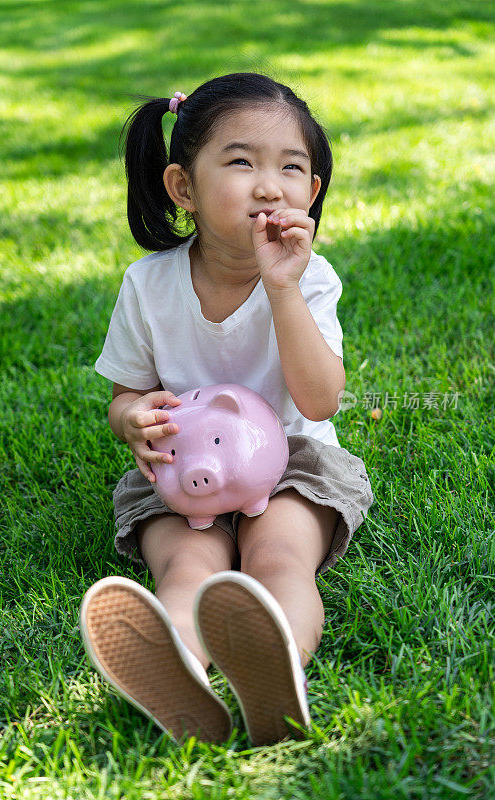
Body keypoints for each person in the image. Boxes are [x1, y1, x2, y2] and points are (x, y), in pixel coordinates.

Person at [80, 72, 374, 747]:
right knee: (188, 566)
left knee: (277, 561)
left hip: (294, 463)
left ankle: (278, 673)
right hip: (184, 475)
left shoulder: (312, 279)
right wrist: (130, 421)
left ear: (312, 192)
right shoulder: (148, 285)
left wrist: (282, 289)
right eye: (241, 162)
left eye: (290, 168)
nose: (268, 185)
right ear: (182, 187)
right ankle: (178, 666)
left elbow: (319, 399)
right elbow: (125, 397)